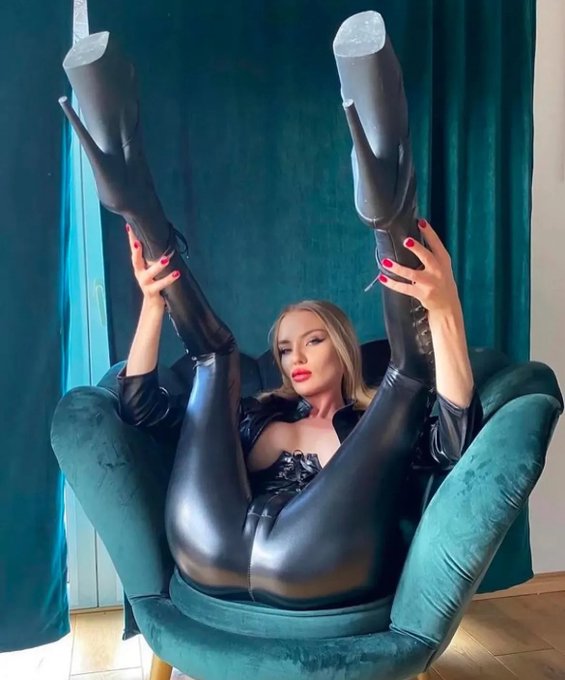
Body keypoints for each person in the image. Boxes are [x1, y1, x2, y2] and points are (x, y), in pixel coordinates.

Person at [60, 12, 482, 610]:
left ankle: (388, 202)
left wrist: (445, 308)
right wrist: (153, 304)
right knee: (216, 356)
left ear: (343, 348)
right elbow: (141, 409)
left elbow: (454, 443)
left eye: (312, 340)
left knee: (411, 375)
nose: (294, 357)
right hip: (207, 544)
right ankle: (135, 204)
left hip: (320, 562)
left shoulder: (375, 421)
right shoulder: (253, 412)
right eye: (284, 347)